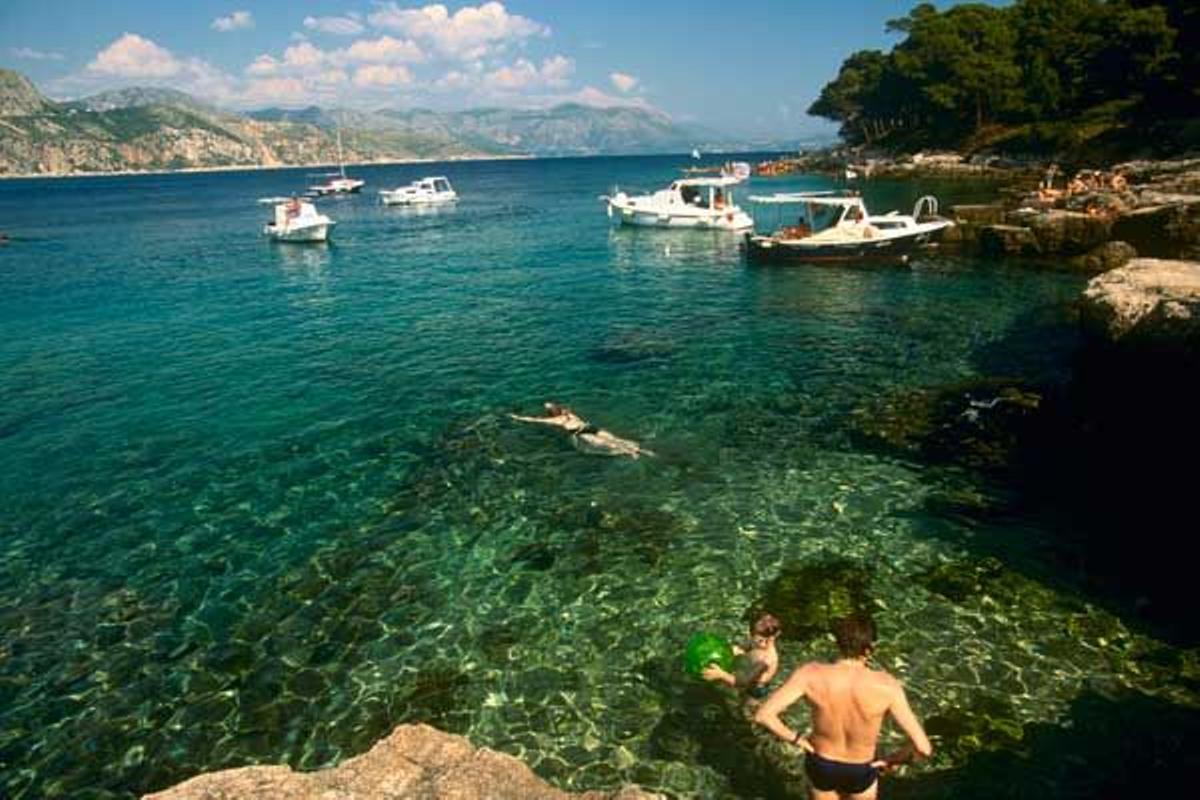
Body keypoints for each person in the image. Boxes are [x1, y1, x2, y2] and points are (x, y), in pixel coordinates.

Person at [753, 615, 932, 800]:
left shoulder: (809, 674)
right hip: (861, 769)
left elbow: (764, 715)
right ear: (870, 649)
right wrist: (892, 760)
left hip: (821, 763)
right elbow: (923, 748)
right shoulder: (887, 685)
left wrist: (798, 740)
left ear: (837, 644)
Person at [509, 402, 655, 459]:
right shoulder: (568, 413)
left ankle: (631, 453)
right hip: (591, 427)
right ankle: (643, 450)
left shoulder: (556, 420)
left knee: (607, 445)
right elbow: (553, 406)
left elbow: (535, 420)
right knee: (615, 439)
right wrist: (549, 405)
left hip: (582, 433)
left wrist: (517, 417)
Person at [702, 613, 782, 701]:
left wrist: (721, 674)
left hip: (754, 689)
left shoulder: (765, 660)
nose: (761, 643)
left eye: (763, 640)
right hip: (747, 672)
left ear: (773, 637)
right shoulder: (755, 640)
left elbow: (742, 683)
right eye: (753, 635)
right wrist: (724, 652)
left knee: (744, 708)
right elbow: (742, 648)